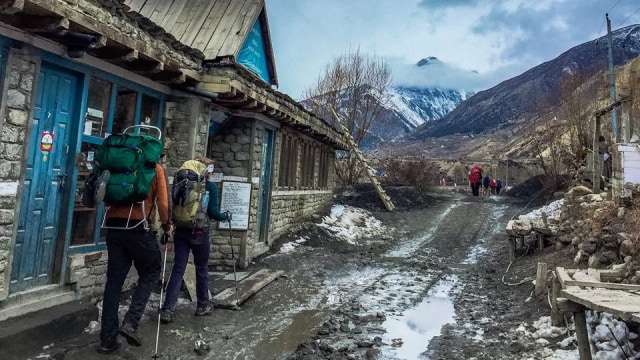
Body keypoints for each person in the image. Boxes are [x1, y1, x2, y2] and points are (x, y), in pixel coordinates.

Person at [99, 163, 171, 354]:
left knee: (113, 283)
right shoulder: (154, 169)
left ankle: (107, 340)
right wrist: (166, 226)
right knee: (151, 272)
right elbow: (163, 203)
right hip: (138, 228)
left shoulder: (118, 165)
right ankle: (131, 322)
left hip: (113, 228)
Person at [160, 157, 231, 324]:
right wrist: (225, 216)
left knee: (178, 269)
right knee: (201, 268)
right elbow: (213, 213)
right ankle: (202, 305)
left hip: (181, 232)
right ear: (207, 171)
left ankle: (168, 309)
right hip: (200, 232)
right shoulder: (210, 187)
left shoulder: (181, 183)